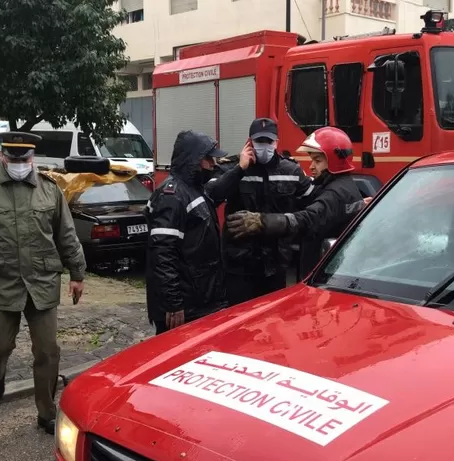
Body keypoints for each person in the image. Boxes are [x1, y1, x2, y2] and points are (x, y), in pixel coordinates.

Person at [0, 131, 86, 434]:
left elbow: (66, 235)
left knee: (48, 350)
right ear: (3, 157)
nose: (19, 164)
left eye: (24, 159)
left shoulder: (50, 190)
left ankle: (47, 412)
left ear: (32, 158)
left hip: (42, 282)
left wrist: (77, 273)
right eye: (13, 158)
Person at [225, 126, 364, 279]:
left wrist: (261, 221)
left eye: (317, 161)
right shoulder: (344, 187)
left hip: (323, 276)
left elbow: (307, 218)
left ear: (335, 161)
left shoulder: (335, 193)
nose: (311, 166)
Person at [205, 118, 311, 306]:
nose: (264, 146)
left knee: (272, 322)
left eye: (268, 141)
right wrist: (240, 168)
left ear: (277, 142)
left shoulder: (291, 170)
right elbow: (212, 196)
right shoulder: (233, 167)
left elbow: (314, 202)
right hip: (240, 267)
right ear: (249, 142)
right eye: (259, 141)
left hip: (275, 266)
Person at [147, 130, 227, 335]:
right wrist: (173, 303)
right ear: (194, 160)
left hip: (201, 302)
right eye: (208, 158)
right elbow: (163, 253)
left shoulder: (194, 189)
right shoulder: (172, 196)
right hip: (184, 308)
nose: (213, 164)